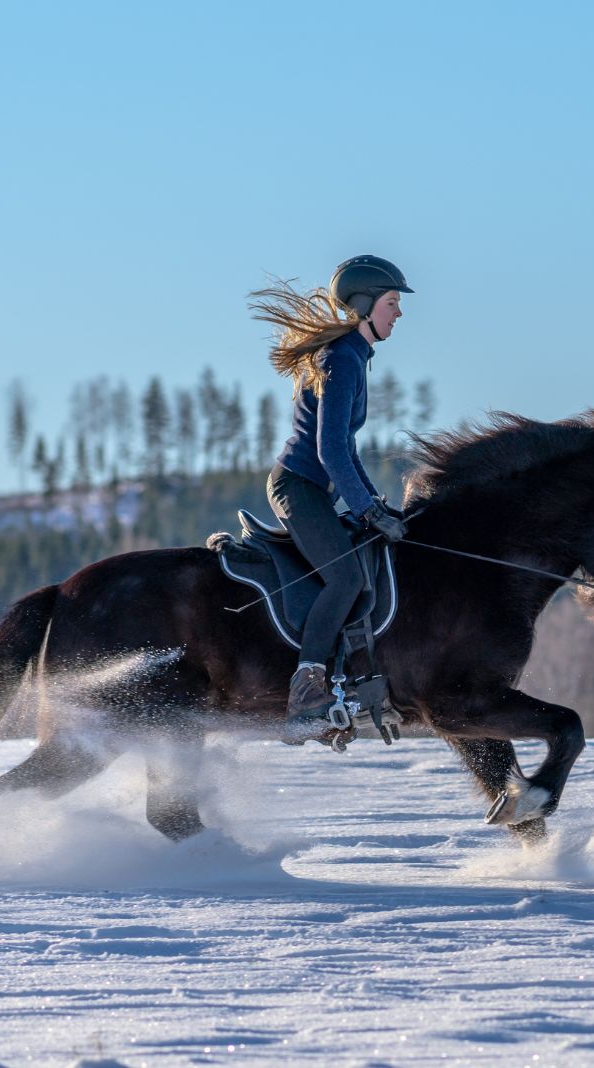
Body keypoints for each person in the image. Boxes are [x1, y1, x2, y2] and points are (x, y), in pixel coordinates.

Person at [249, 255, 413, 742]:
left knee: (360, 580)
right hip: (297, 487)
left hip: (313, 487)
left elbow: (346, 448)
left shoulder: (352, 355)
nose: (398, 314)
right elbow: (329, 450)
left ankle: (342, 687)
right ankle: (306, 694)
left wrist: (374, 506)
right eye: (391, 303)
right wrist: (363, 507)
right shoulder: (341, 357)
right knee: (344, 579)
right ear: (363, 306)